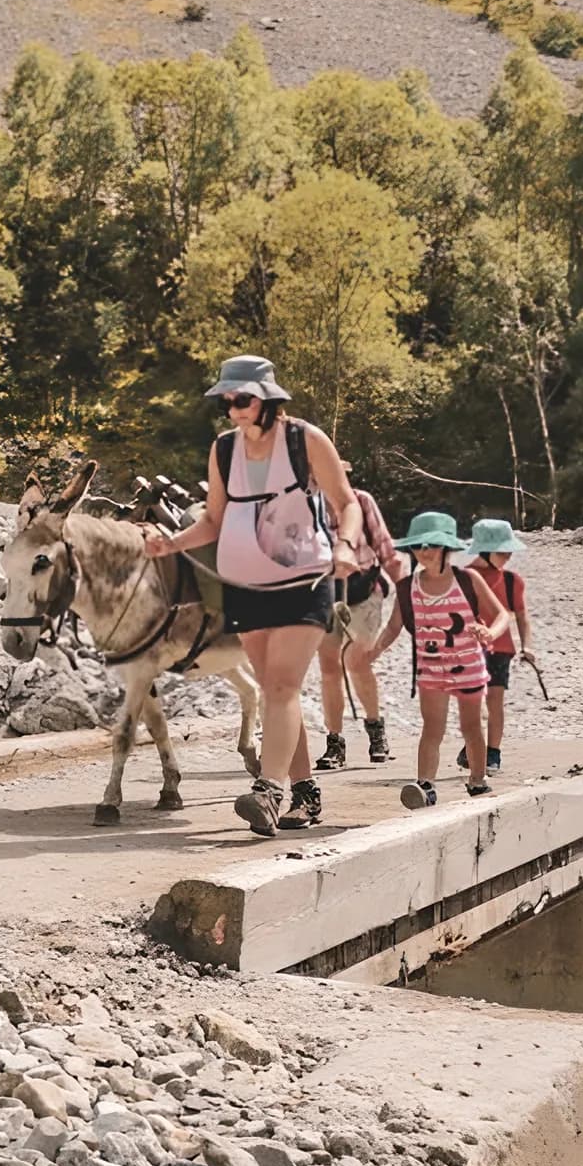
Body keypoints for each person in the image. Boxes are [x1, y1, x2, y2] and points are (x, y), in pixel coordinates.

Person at [143, 355, 362, 836]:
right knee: (276, 691)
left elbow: (346, 503)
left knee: (282, 686)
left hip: (302, 579)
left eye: (241, 399)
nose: (233, 409)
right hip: (244, 584)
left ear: (268, 400)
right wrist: (170, 544)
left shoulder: (306, 440)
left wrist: (346, 545)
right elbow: (213, 521)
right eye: (227, 401)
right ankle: (305, 795)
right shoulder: (224, 450)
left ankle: (268, 790)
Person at [373, 511, 502, 809]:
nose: (423, 553)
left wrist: (488, 631)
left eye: (430, 546)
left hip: (468, 667)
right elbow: (394, 626)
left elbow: (501, 616)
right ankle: (425, 786)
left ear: (447, 549)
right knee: (432, 728)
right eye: (418, 547)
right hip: (430, 669)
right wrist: (375, 650)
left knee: (471, 727)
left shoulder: (468, 580)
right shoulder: (408, 587)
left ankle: (477, 780)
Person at [314, 462, 406, 770]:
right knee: (329, 666)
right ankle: (334, 742)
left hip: (364, 589)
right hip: (323, 593)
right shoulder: (305, 509)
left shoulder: (361, 501)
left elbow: (385, 547)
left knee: (357, 660)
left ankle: (375, 728)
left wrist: (407, 593)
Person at [464, 518, 537, 774]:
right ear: (484, 550)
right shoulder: (464, 578)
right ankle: (474, 745)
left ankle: (492, 752)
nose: (508, 556)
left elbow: (522, 616)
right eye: (502, 551)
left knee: (495, 700)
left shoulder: (511, 580)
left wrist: (527, 646)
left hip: (502, 650)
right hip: (470, 650)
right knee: (474, 702)